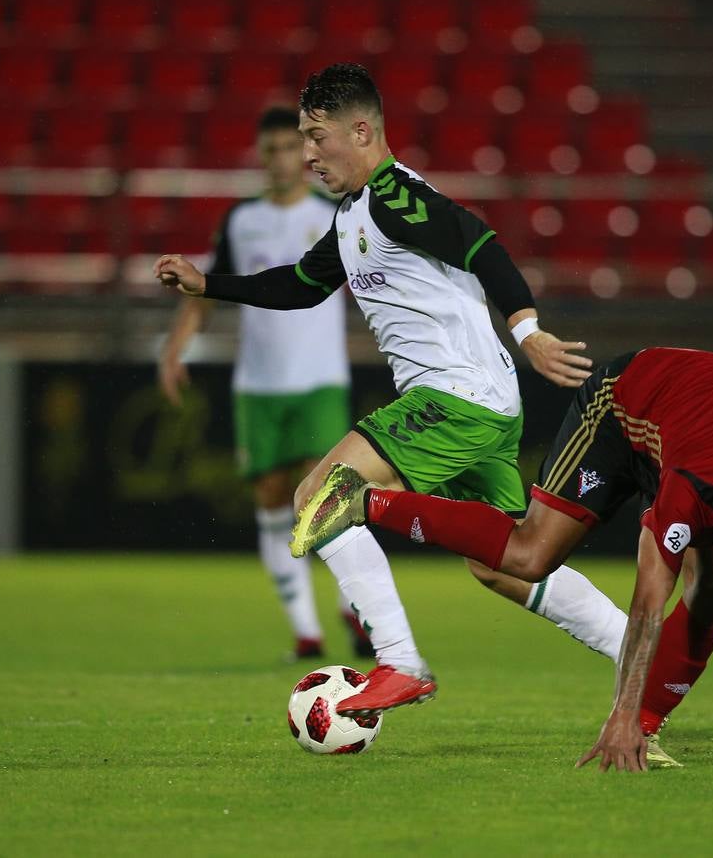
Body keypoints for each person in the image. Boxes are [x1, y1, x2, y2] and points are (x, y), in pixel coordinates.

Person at [155, 63, 624, 721]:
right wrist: (210, 286)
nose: (309, 154)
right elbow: (300, 285)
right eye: (302, 138)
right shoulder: (352, 217)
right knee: (507, 561)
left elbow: (478, 242)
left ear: (363, 130)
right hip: (481, 401)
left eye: (318, 137)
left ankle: (400, 661)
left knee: (318, 495)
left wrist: (530, 331)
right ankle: (637, 647)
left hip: (456, 396)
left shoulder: (394, 196)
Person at [300, 347, 713, 773]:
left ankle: (644, 727)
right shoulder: (696, 487)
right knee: (530, 557)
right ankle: (363, 499)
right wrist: (618, 715)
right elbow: (647, 606)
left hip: (688, 426)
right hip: (626, 404)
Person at [157, 106, 372, 662]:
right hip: (259, 384)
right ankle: (305, 633)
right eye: (271, 149)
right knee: (273, 499)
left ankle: (355, 612)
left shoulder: (337, 213)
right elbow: (207, 290)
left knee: (325, 494)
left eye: (290, 147)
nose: (282, 158)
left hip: (320, 379)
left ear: (305, 153)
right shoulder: (241, 220)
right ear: (260, 156)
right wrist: (177, 346)